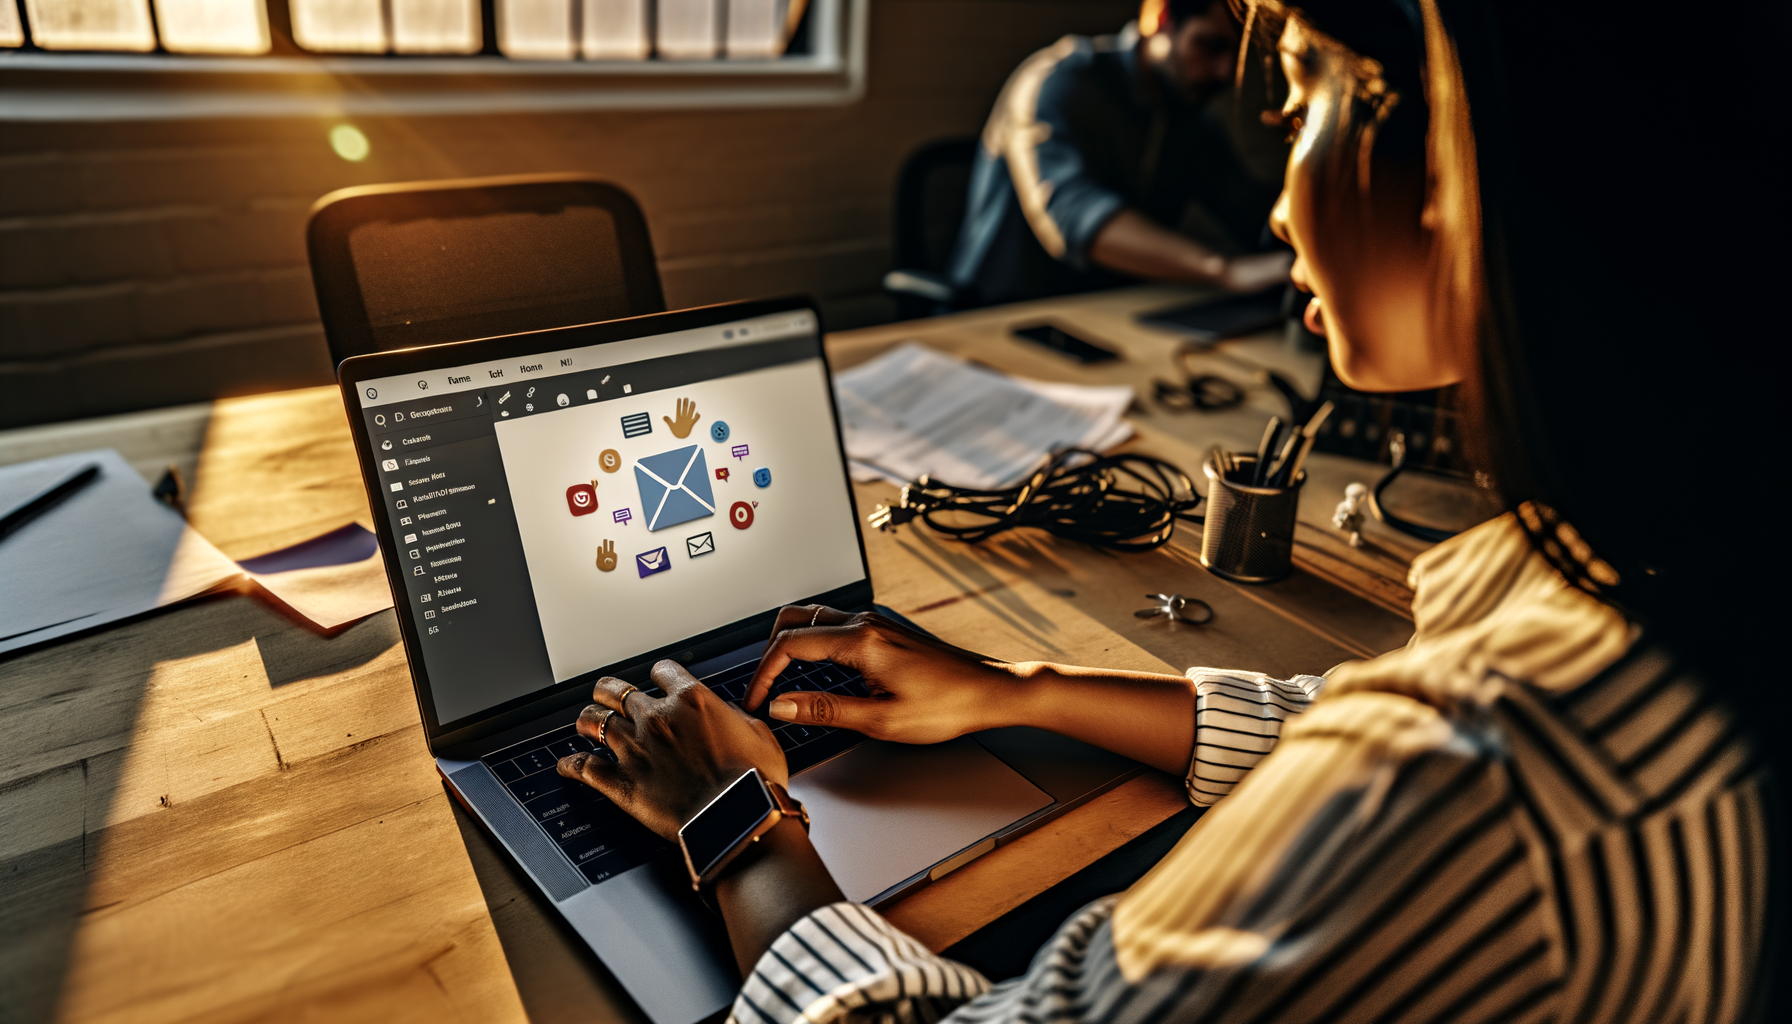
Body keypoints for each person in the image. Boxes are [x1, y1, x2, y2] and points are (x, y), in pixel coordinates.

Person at [558, 1, 1782, 1022]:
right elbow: (1328, 709)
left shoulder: (1467, 778)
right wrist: (1017, 690)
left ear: (1462, 149)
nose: (1278, 204)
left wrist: (736, 819)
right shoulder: (1650, 577)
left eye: (1302, 102)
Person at [946, 0, 1296, 306]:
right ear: (1159, 19)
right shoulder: (1057, 81)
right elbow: (1073, 215)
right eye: (1209, 45)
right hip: (1000, 311)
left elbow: (1250, 210)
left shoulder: (1190, 122)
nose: (1224, 72)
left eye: (1234, 56)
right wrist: (1223, 269)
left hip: (1106, 312)